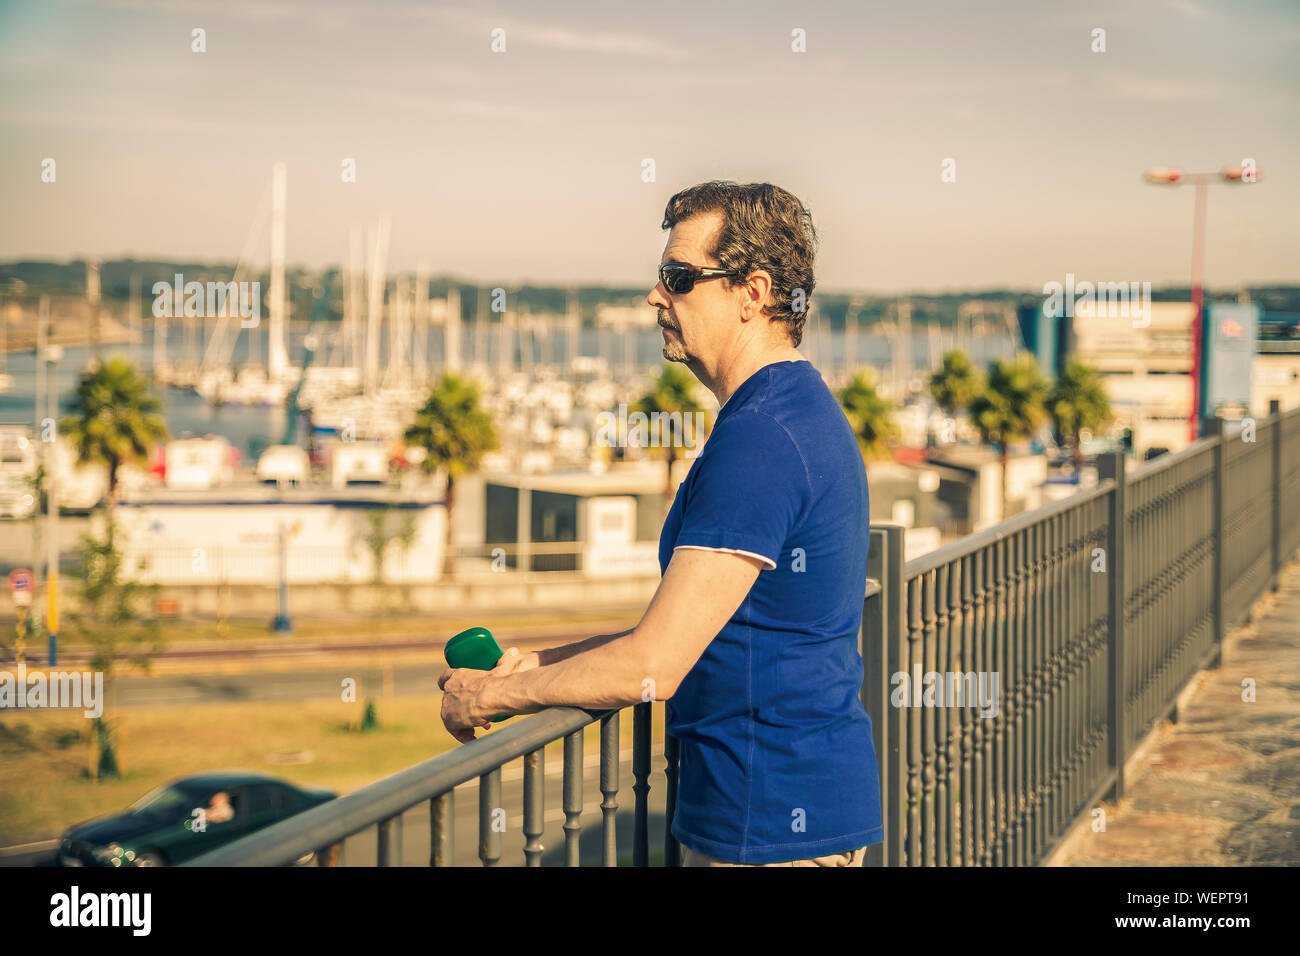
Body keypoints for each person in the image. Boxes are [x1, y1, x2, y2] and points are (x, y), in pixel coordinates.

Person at [439, 181, 882, 866]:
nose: (655, 295)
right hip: (789, 812)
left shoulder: (760, 440)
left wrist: (492, 694)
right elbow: (699, 627)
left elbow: (655, 664)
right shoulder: (794, 410)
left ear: (751, 293)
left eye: (678, 277)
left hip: (765, 826)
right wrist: (547, 664)